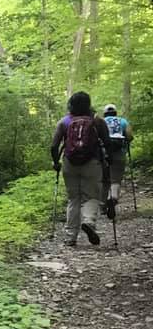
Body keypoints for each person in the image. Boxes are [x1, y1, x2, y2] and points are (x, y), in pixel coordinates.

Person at [51, 91, 112, 247]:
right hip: (92, 163)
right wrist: (108, 159)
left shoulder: (64, 122)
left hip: (69, 164)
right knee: (91, 196)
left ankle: (70, 236)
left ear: (71, 104)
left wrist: (56, 162)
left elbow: (54, 146)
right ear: (88, 104)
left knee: (74, 199)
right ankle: (89, 222)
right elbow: (108, 142)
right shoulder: (97, 121)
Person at [101, 103, 133, 215]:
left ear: (104, 113)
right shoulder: (123, 121)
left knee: (104, 180)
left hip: (103, 153)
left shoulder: (101, 122)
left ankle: (103, 205)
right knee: (115, 179)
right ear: (115, 112)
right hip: (119, 153)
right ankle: (113, 197)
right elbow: (129, 136)